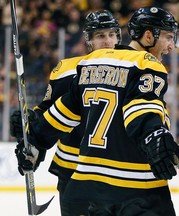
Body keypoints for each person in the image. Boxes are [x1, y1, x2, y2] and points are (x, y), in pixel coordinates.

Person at [10, 6, 179, 216]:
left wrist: (36, 138)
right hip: (133, 183)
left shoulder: (90, 63)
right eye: (168, 37)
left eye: (111, 34)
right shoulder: (146, 64)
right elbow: (141, 112)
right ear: (148, 36)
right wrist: (155, 136)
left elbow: (63, 112)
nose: (172, 46)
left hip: (86, 180)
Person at [10, 10, 121, 216]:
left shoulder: (133, 69)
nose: (108, 41)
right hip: (73, 170)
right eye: (100, 36)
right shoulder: (67, 70)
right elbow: (46, 112)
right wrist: (29, 129)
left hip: (116, 172)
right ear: (89, 40)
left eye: (112, 34)